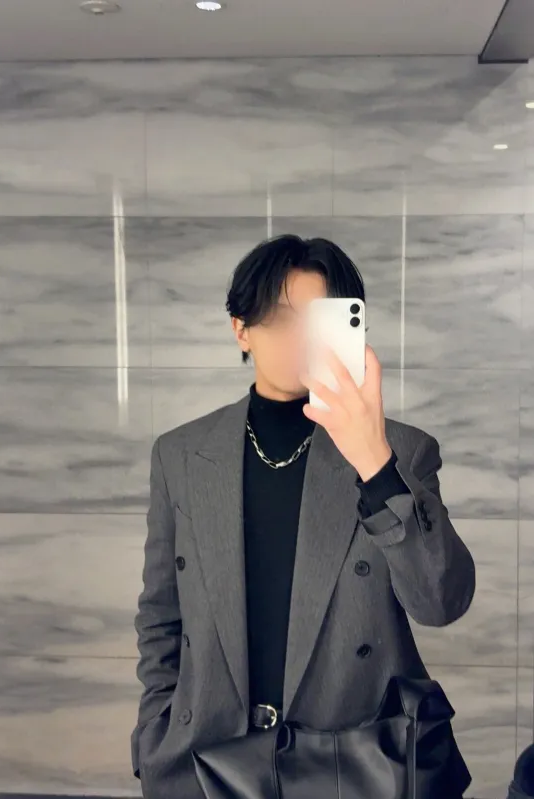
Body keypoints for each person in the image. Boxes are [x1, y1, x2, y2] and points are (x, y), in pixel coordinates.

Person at [132, 235, 476, 799]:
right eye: (279, 318)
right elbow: (160, 614)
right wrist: (155, 734)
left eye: (315, 321)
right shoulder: (182, 454)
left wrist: (375, 463)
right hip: (209, 758)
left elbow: (442, 602)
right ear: (241, 329)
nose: (296, 339)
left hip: (353, 762)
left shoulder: (400, 452)